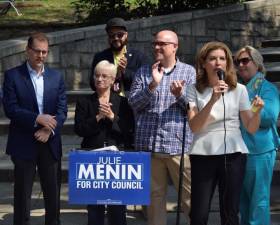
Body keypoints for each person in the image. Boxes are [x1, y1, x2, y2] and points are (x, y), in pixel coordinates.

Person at [186, 41, 264, 225]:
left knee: (230, 212)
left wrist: (257, 111)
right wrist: (212, 99)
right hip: (203, 154)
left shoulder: (239, 90)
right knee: (199, 214)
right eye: (212, 59)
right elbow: (195, 126)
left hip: (234, 154)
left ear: (228, 64)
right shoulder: (194, 89)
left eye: (222, 59)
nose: (218, 63)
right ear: (204, 63)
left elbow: (250, 128)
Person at [128, 30, 195, 225]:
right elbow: (134, 103)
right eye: (155, 43)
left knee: (189, 198)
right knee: (154, 200)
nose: (156, 47)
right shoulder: (143, 72)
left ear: (175, 47)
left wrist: (180, 95)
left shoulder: (188, 72)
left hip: (178, 146)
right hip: (149, 146)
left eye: (162, 44)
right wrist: (152, 86)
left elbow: (194, 107)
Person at [2, 32, 67, 225]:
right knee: (22, 193)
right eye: (37, 51)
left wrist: (49, 130)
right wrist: (38, 118)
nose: (41, 56)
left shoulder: (56, 77)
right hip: (23, 142)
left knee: (52, 192)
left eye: (44, 52)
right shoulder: (13, 76)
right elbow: (11, 109)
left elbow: (62, 109)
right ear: (27, 51)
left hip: (50, 141)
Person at [74, 60, 134, 225]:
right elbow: (79, 129)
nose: (99, 79)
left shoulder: (123, 102)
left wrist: (112, 118)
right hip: (92, 159)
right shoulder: (84, 102)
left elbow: (128, 131)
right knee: (94, 208)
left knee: (117, 208)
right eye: (96, 75)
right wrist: (98, 118)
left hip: (117, 160)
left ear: (113, 79)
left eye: (104, 76)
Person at [235, 46, 280, 225]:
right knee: (243, 202)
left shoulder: (266, 88)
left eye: (245, 60)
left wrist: (247, 109)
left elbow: (268, 116)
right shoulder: (240, 88)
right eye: (238, 62)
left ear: (257, 63)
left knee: (258, 202)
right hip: (239, 152)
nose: (241, 65)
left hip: (259, 152)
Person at [91, 17, 149, 97]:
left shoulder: (139, 56)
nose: (116, 38)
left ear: (126, 35)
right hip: (108, 101)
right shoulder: (100, 57)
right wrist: (109, 77)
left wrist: (125, 72)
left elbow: (145, 81)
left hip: (131, 104)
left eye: (120, 35)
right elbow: (92, 84)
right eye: (112, 35)